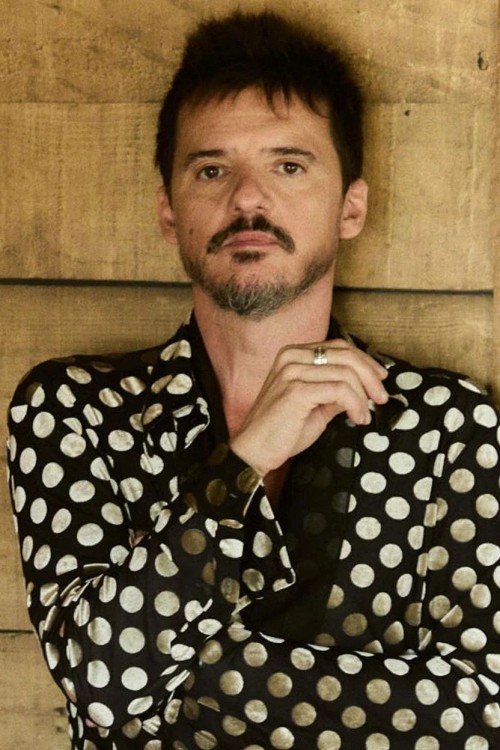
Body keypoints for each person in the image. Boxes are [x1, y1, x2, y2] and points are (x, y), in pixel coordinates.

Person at [6, 10, 500, 750]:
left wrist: (158, 687)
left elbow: (485, 715)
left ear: (351, 207)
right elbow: (103, 681)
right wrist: (241, 465)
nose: (247, 199)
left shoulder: (448, 427)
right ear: (169, 210)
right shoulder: (76, 409)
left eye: (288, 166)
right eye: (212, 169)